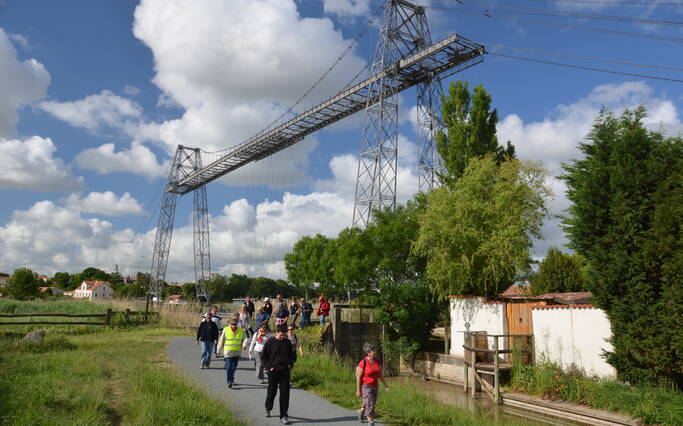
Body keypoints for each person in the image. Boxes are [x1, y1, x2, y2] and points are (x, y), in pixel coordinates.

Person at [262, 324, 294, 425]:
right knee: (272, 392)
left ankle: (284, 415)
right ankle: (268, 408)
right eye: (281, 335)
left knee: (285, 394)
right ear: (276, 333)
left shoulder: (287, 342)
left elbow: (292, 355)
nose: (282, 337)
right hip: (273, 371)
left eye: (284, 335)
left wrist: (290, 364)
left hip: (284, 371)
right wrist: (268, 367)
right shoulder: (270, 342)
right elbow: (264, 357)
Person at [356, 343, 389, 425]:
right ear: (369, 353)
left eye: (375, 350)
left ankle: (361, 411)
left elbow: (379, 374)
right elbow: (359, 378)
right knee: (370, 403)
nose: (375, 352)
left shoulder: (376, 361)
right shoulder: (363, 362)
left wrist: (386, 384)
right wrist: (358, 390)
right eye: (373, 351)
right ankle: (370, 421)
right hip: (366, 386)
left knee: (371, 403)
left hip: (375, 386)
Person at [220, 318, 245, 389]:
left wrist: (244, 345)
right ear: (230, 324)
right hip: (228, 352)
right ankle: (229, 382)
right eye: (233, 324)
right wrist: (219, 349)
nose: (234, 325)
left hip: (237, 352)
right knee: (229, 367)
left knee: (234, 367)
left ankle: (232, 378)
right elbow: (222, 339)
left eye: (235, 324)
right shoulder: (226, 329)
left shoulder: (240, 330)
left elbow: (245, 338)